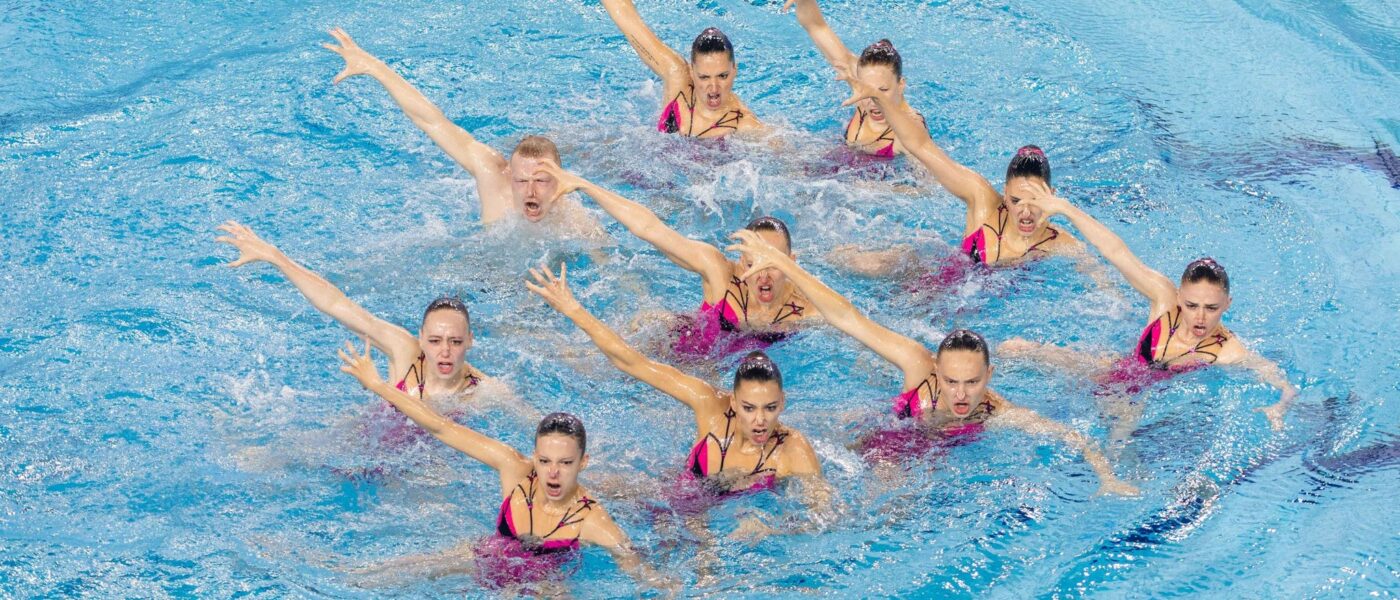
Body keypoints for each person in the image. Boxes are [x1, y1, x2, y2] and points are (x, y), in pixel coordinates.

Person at [728, 230, 1139, 496]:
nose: (960, 394)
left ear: (989, 377)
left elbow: (1068, 435)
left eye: (972, 383)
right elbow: (847, 317)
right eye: (951, 381)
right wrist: (783, 265)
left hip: (925, 465)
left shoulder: (998, 412)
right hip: (877, 442)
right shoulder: (915, 364)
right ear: (936, 371)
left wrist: (1106, 476)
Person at [336, 342, 674, 591]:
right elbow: (441, 427)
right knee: (382, 574)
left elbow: (639, 570)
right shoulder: (513, 467)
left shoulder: (591, 520)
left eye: (565, 463)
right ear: (534, 456)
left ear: (583, 463)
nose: (552, 473)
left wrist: (669, 588)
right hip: (492, 555)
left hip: (547, 582)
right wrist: (378, 385)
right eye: (544, 461)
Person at [526, 264, 831, 539]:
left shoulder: (793, 451)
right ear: (734, 402)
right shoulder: (709, 405)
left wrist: (771, 527)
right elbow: (633, 363)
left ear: (783, 403)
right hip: (673, 501)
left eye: (770, 408)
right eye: (749, 408)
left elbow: (825, 518)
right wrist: (574, 309)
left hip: (727, 526)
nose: (760, 420)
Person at [995, 183, 1298, 431]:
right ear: (1179, 297)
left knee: (1116, 448)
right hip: (1109, 369)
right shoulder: (1164, 300)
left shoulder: (1226, 350)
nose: (1200, 317)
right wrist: (1066, 209)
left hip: (1136, 403)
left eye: (1212, 307)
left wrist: (1278, 406)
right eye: (1191, 305)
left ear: (1227, 305)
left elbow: (1282, 384)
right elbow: (1114, 251)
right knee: (1013, 349)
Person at [829, 72, 1118, 289]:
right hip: (932, 279)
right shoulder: (982, 200)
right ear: (1005, 194)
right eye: (1016, 200)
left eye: (1037, 202)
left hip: (976, 304)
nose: (1025, 212)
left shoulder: (1060, 243)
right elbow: (923, 147)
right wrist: (882, 99)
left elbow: (1103, 275)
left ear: (1052, 197)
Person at [321, 28, 602, 235]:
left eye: (541, 181)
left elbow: (612, 258)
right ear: (509, 175)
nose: (530, 191)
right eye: (521, 180)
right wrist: (376, 68)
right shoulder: (492, 175)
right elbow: (432, 121)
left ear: (561, 180)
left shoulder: (575, 219)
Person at [532, 160, 813, 354]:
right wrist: (586, 186)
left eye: (773, 264)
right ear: (741, 261)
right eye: (754, 264)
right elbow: (650, 229)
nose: (762, 275)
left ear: (793, 262)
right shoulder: (720, 273)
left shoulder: (809, 309)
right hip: (679, 352)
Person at [216, 221, 490, 400]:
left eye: (455, 341)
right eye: (434, 340)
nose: (445, 351)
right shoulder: (404, 351)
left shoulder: (481, 391)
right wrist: (275, 257)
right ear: (420, 338)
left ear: (469, 340)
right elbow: (337, 304)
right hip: (368, 441)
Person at [600, 0, 762, 138]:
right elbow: (627, 18)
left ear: (735, 70)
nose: (713, 87)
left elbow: (784, 157)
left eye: (722, 76)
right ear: (692, 72)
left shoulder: (743, 125)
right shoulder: (677, 76)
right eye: (704, 77)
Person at [783, 0, 925, 157]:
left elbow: (927, 178)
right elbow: (817, 27)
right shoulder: (858, 82)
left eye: (883, 90)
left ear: (901, 85)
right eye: (866, 88)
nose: (873, 99)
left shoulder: (911, 129)